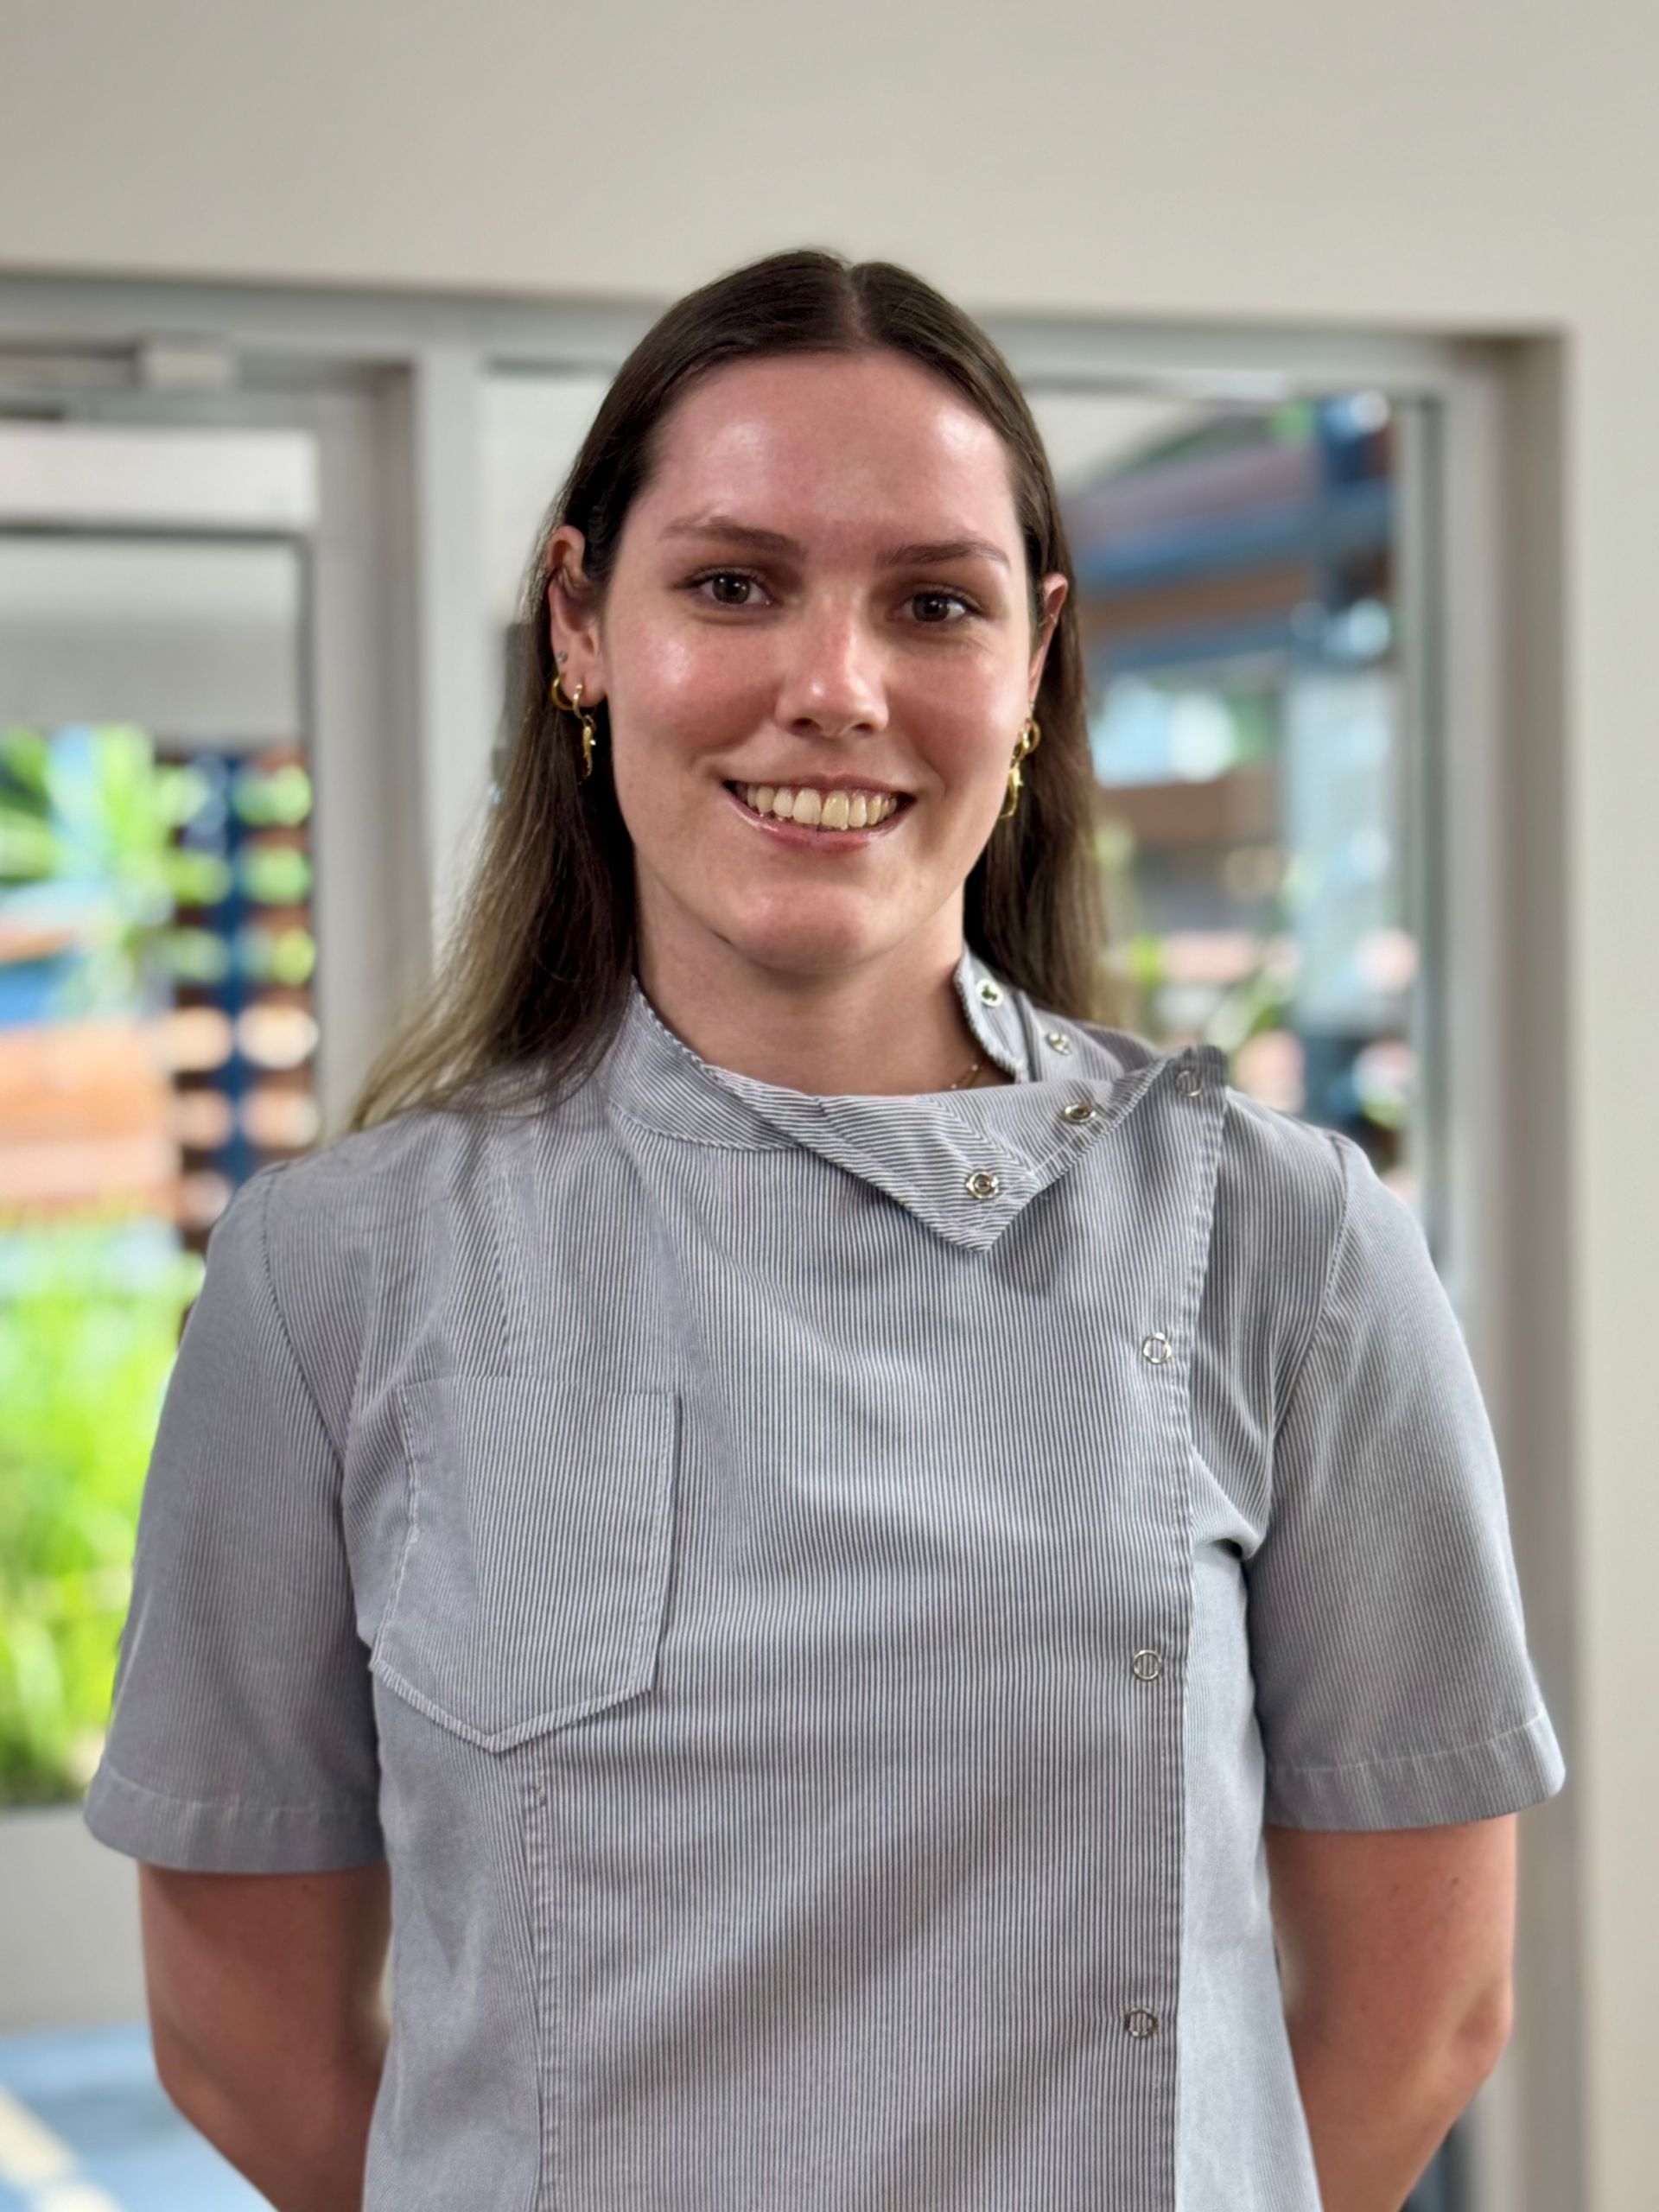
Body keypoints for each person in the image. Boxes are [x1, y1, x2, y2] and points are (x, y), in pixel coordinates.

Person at [83, 246, 1566, 2212]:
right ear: (580, 624)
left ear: (1030, 666)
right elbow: (241, 2038)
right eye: (732, 582)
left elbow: (1420, 2015)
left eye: (933, 602)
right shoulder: (333, 1276)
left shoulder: (1287, 1246)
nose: (835, 687)